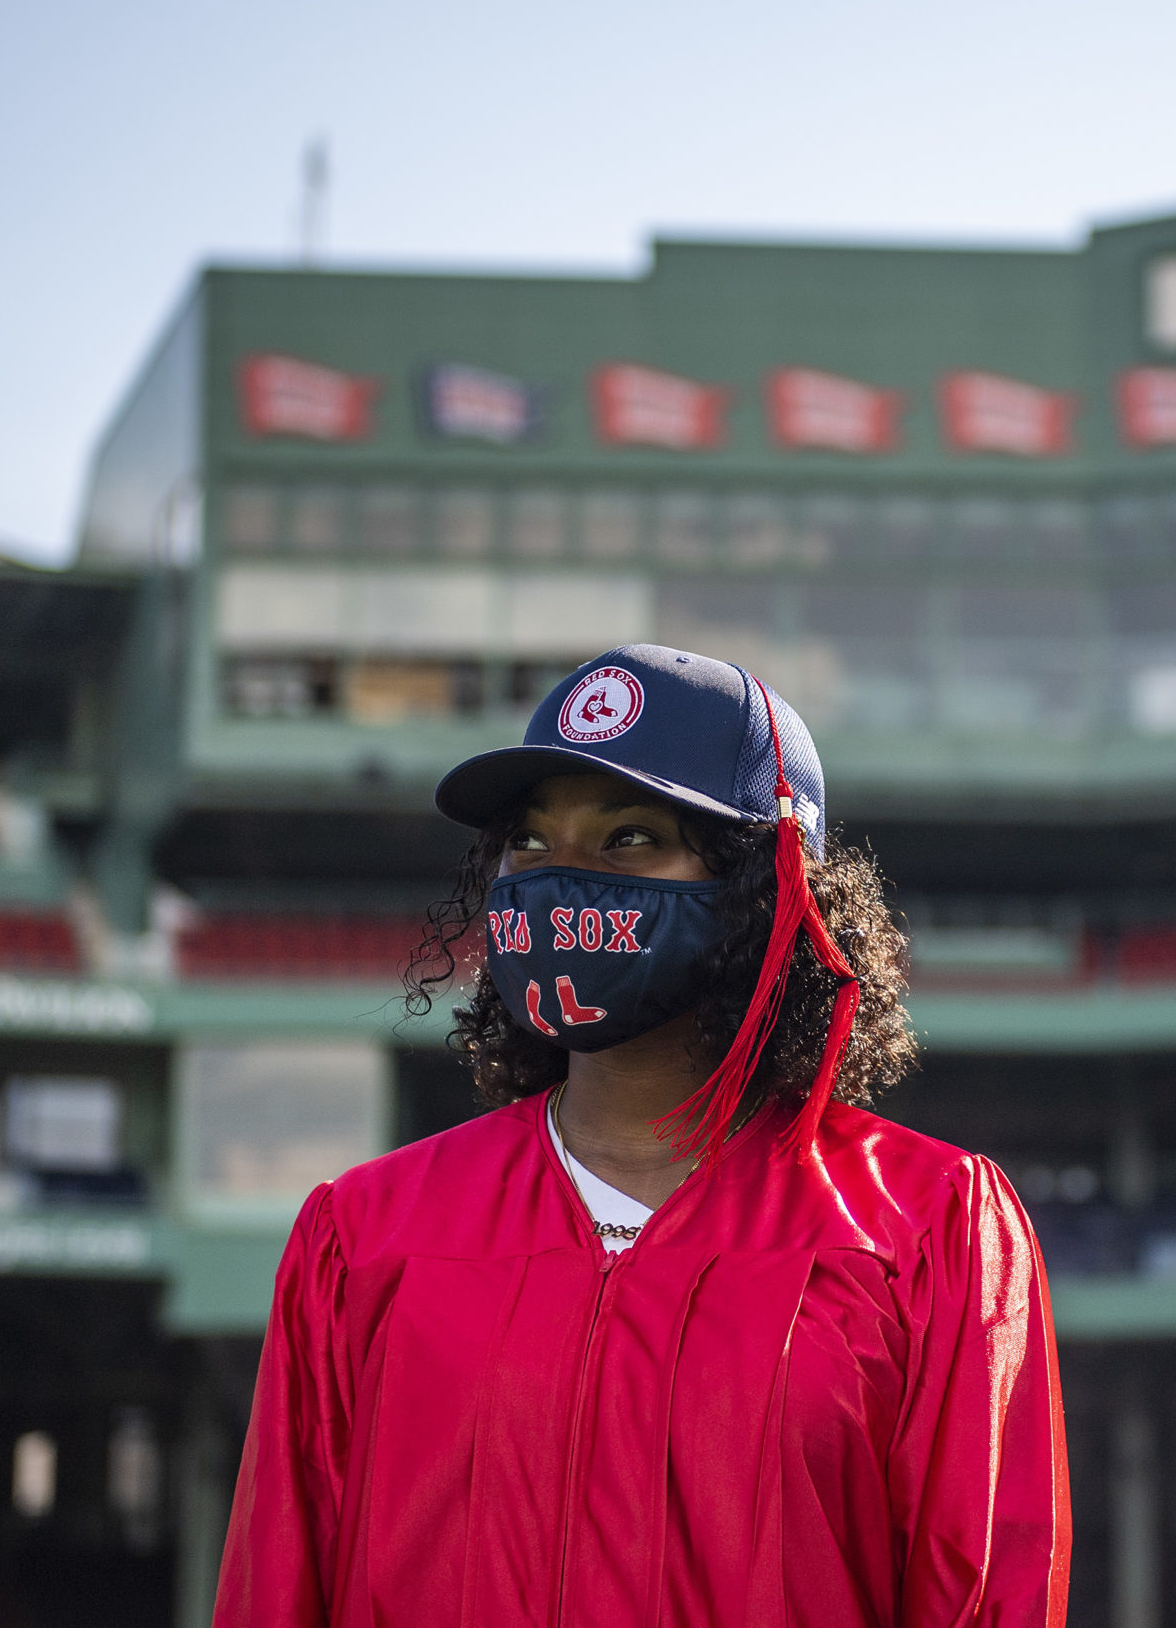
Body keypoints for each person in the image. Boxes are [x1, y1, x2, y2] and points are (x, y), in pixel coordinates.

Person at [213, 645, 1071, 1627]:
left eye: (627, 838)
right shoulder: (362, 1238)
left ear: (766, 882)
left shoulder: (929, 1227)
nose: (559, 882)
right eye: (529, 844)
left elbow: (983, 1600)